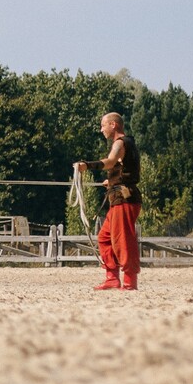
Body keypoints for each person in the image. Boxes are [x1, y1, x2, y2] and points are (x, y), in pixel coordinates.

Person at [75, 112, 142, 291]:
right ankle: (112, 278)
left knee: (123, 241)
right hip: (121, 197)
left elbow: (111, 162)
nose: (101, 129)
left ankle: (129, 281)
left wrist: (87, 165)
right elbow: (125, 169)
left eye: (103, 125)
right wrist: (111, 181)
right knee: (105, 238)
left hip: (124, 199)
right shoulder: (128, 143)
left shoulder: (120, 143)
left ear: (113, 125)